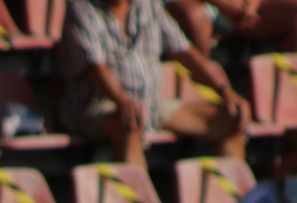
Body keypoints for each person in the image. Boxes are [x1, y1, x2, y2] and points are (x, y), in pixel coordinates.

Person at [60, 0, 250, 168]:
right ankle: (137, 195)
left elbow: (184, 51)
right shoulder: (82, 8)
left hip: (151, 104)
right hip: (95, 104)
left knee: (233, 120)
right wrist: (123, 100)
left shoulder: (149, 4)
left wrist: (225, 91)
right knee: (131, 122)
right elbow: (95, 69)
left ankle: (230, 196)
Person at [164, 0, 297, 55]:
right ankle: (202, 99)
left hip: (237, 9)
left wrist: (250, 6)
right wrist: (223, 3)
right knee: (195, 18)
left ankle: (291, 98)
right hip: (190, 6)